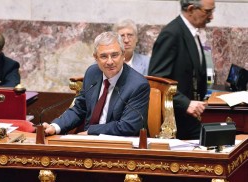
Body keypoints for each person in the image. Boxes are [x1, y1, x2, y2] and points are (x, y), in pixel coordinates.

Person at [43, 31, 150, 136]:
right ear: (96, 58)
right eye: (103, 56)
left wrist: (92, 132)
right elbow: (79, 109)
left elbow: (129, 126)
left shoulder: (138, 85)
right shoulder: (92, 73)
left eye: (114, 55)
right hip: (87, 143)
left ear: (123, 55)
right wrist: (55, 127)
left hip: (119, 146)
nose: (109, 62)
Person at [148, 0, 215, 139]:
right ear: (191, 9)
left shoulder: (191, 32)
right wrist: (186, 104)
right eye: (207, 11)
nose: (211, 17)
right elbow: (157, 80)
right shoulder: (172, 34)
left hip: (192, 116)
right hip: (176, 121)